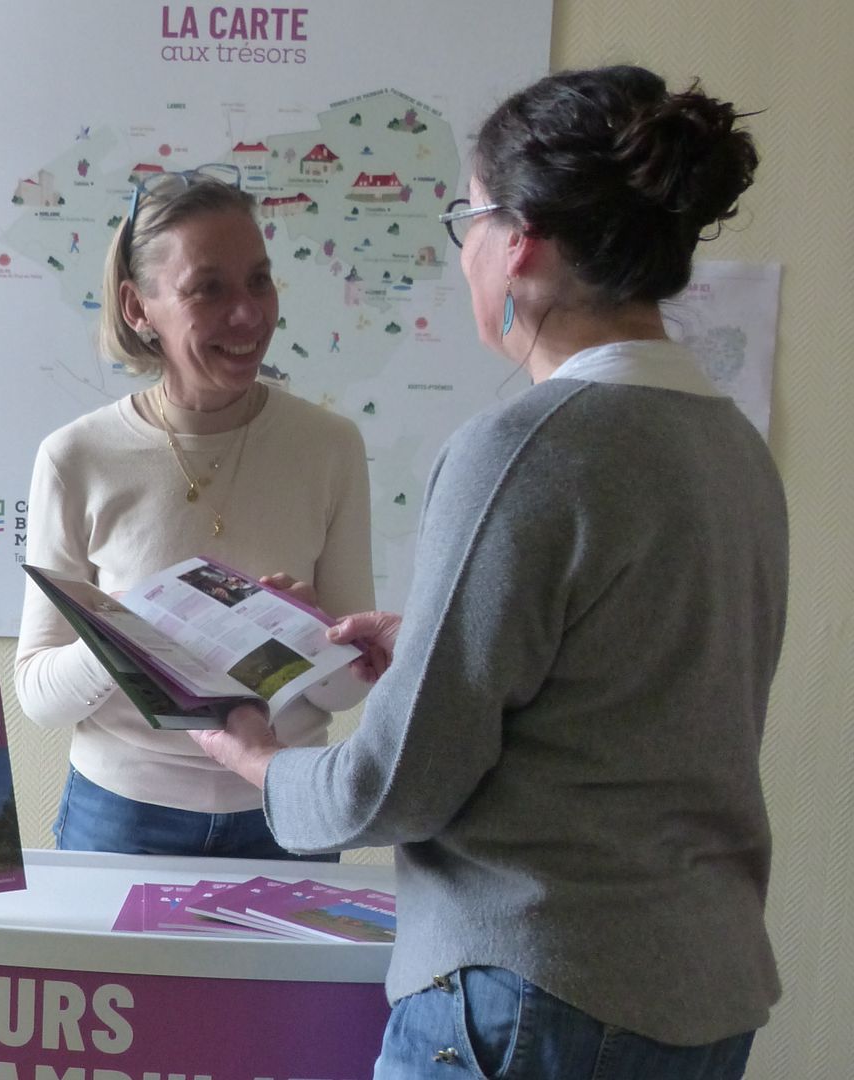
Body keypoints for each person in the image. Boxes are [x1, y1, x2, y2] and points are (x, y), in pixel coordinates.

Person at [192, 66, 786, 1078]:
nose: (462, 250)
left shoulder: (523, 448)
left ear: (520, 242)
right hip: (699, 996)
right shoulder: (728, 445)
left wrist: (257, 760)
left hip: (534, 996)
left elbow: (391, 788)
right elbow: (632, 688)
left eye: (466, 219)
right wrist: (426, 641)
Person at [15, 164, 377, 859]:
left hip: (286, 805)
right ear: (137, 307)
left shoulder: (329, 446)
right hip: (123, 815)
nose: (247, 314)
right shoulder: (75, 457)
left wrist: (316, 641)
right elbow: (38, 695)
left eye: (259, 280)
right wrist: (124, 633)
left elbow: (340, 696)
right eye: (207, 289)